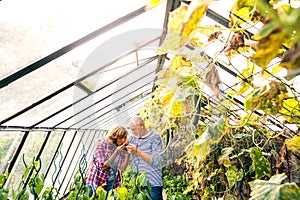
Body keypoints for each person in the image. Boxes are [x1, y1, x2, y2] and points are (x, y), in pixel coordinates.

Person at [86, 125, 130, 198]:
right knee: (90, 197)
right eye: (121, 137)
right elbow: (103, 167)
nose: (123, 140)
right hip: (97, 179)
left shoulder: (121, 147)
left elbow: (122, 168)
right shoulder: (102, 144)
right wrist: (116, 152)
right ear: (114, 136)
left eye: (125, 137)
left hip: (112, 181)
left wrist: (128, 153)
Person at [126, 116, 163, 200]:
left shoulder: (155, 138)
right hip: (137, 184)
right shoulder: (132, 138)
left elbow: (156, 161)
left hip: (152, 183)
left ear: (142, 125)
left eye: (134, 129)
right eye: (131, 129)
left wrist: (137, 151)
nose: (132, 132)